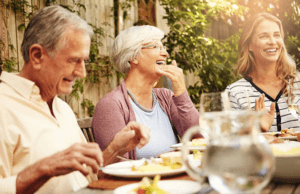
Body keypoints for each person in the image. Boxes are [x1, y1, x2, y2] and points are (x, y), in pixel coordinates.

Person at [0, 5, 150, 194]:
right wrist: (43, 169)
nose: (82, 73)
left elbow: (86, 177)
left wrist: (115, 149)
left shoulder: (61, 108)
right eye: (73, 60)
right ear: (37, 56)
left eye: (84, 61)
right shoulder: (3, 106)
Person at [92, 25, 199, 160]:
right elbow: (115, 166)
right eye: (156, 47)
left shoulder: (165, 96)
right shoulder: (110, 105)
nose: (165, 54)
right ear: (134, 57)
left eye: (164, 48)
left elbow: (197, 139)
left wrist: (180, 91)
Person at [225, 12, 300, 132]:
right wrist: (256, 129)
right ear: (249, 45)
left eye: (277, 35)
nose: (272, 41)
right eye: (263, 36)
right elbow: (229, 144)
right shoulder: (235, 93)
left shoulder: (298, 83)